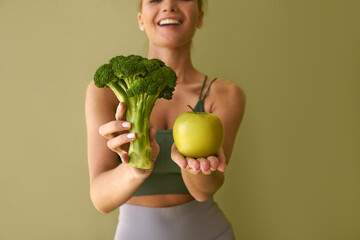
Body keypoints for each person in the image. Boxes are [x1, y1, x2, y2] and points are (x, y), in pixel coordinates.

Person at [85, 0, 245, 239]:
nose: (169, 5)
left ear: (200, 16)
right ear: (141, 19)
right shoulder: (106, 92)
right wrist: (134, 169)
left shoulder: (224, 94)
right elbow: (101, 199)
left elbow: (205, 191)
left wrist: (192, 166)